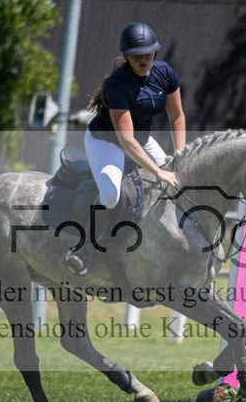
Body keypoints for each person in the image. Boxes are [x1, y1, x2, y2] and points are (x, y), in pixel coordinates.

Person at [64, 22, 186, 275]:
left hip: (141, 140)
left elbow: (177, 116)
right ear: (126, 56)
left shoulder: (165, 73)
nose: (144, 59)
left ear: (155, 52)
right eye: (137, 55)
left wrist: (180, 155)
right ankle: (84, 246)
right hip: (107, 141)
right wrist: (158, 171)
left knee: (178, 182)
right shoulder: (118, 84)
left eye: (148, 53)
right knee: (111, 194)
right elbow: (126, 140)